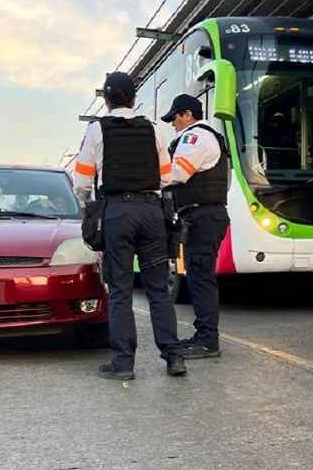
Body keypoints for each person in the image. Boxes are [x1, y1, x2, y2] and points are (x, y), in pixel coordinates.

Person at [71, 71, 185, 380]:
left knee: (120, 290)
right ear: (134, 98)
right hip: (151, 213)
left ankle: (123, 364)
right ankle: (174, 358)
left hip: (117, 212)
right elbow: (166, 177)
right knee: (158, 289)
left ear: (106, 101)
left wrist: (89, 206)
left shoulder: (97, 130)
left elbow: (81, 180)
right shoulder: (153, 130)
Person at [161, 94, 230, 359]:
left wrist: (146, 176)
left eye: (175, 117)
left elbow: (177, 173)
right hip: (200, 216)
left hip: (204, 216)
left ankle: (208, 341)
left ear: (188, 114)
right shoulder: (193, 138)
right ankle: (203, 335)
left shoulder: (196, 137)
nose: (173, 123)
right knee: (199, 278)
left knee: (201, 280)